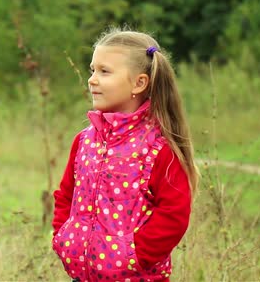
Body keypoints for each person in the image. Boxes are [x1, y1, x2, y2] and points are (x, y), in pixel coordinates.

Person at [52, 27, 199, 282]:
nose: (92, 79)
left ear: (139, 83)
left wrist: (133, 255)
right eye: (92, 70)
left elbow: (174, 214)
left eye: (104, 71)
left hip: (136, 276)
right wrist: (65, 237)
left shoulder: (158, 149)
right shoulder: (84, 141)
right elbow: (66, 194)